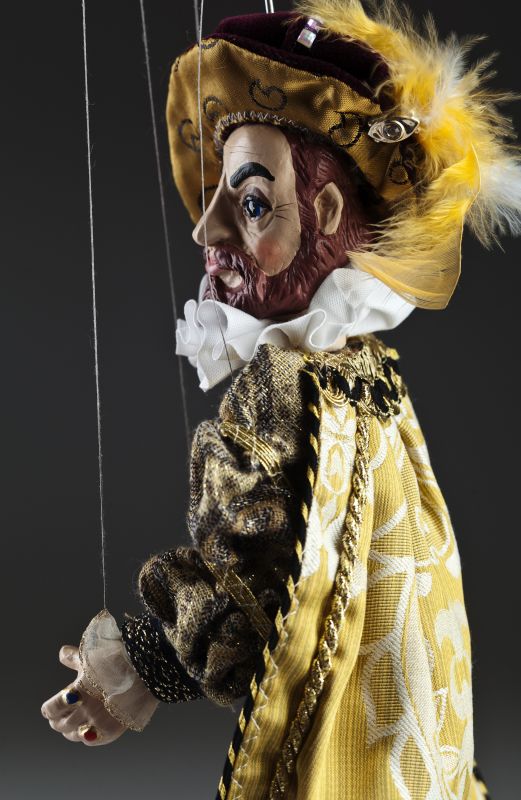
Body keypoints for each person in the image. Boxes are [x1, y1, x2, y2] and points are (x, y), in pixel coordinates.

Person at [42, 3, 520, 798]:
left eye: (252, 202)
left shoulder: (288, 385)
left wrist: (136, 667)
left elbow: (256, 586)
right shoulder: (366, 370)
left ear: (325, 215)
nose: (206, 231)